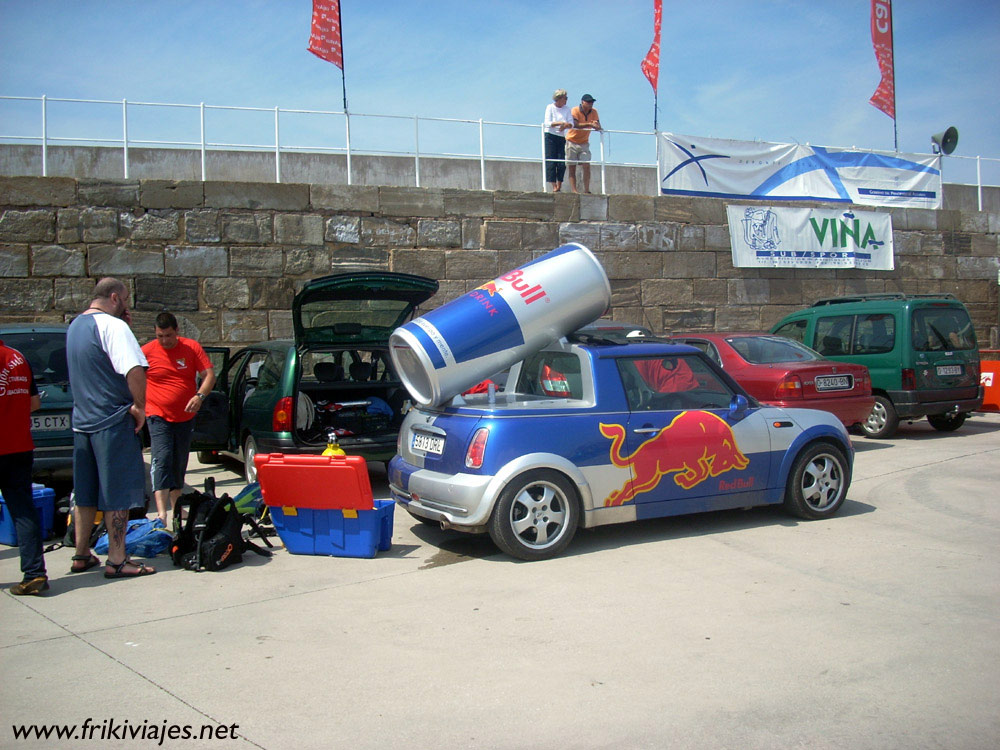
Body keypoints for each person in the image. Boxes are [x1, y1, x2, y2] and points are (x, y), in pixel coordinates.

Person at [66, 278, 155, 579]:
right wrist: (140, 407)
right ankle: (117, 559)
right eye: (126, 299)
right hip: (112, 421)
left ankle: (81, 553)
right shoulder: (114, 327)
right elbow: (134, 369)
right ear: (115, 297)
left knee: (85, 493)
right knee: (118, 493)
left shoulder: (75, 327)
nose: (127, 305)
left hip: (83, 422)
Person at [142, 312, 215, 524]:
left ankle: (176, 507)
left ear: (177, 332)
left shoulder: (191, 347)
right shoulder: (146, 352)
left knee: (179, 460)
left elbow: (209, 375)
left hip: (185, 416)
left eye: (168, 336)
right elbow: (133, 378)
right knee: (162, 457)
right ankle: (161, 512)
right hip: (157, 414)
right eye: (160, 336)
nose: (164, 341)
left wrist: (200, 396)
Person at [0, 338, 49, 595]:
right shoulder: (18, 357)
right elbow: (34, 403)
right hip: (19, 445)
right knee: (23, 510)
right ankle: (34, 573)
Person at [565, 94, 602, 194]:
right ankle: (574, 191)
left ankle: (586, 190)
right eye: (588, 102)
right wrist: (590, 124)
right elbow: (575, 124)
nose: (591, 104)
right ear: (582, 102)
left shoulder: (594, 112)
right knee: (572, 166)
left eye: (592, 102)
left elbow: (598, 125)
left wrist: (597, 126)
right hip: (571, 141)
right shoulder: (575, 110)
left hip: (584, 142)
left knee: (586, 165)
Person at [543, 89, 573, 192]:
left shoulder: (567, 109)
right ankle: (554, 185)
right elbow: (547, 123)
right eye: (565, 98)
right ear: (559, 98)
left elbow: (571, 123)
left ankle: (559, 184)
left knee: (561, 162)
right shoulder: (550, 107)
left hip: (561, 137)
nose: (567, 100)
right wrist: (560, 123)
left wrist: (565, 125)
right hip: (550, 136)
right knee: (551, 161)